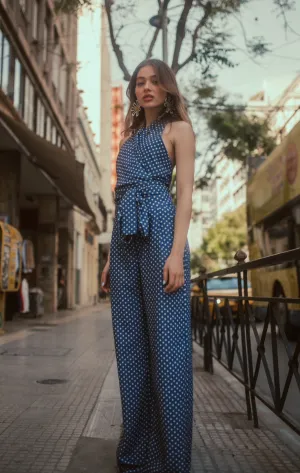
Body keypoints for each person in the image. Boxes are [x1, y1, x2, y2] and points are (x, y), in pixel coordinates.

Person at [101, 58, 195, 473]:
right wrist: (108, 256)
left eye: (155, 81)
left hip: (160, 233)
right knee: (131, 347)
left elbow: (186, 196)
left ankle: (171, 458)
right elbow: (120, 199)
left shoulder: (180, 130)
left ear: (168, 87)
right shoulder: (132, 134)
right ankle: (138, 450)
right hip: (124, 240)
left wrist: (176, 252)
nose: (146, 88)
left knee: (168, 348)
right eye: (140, 82)